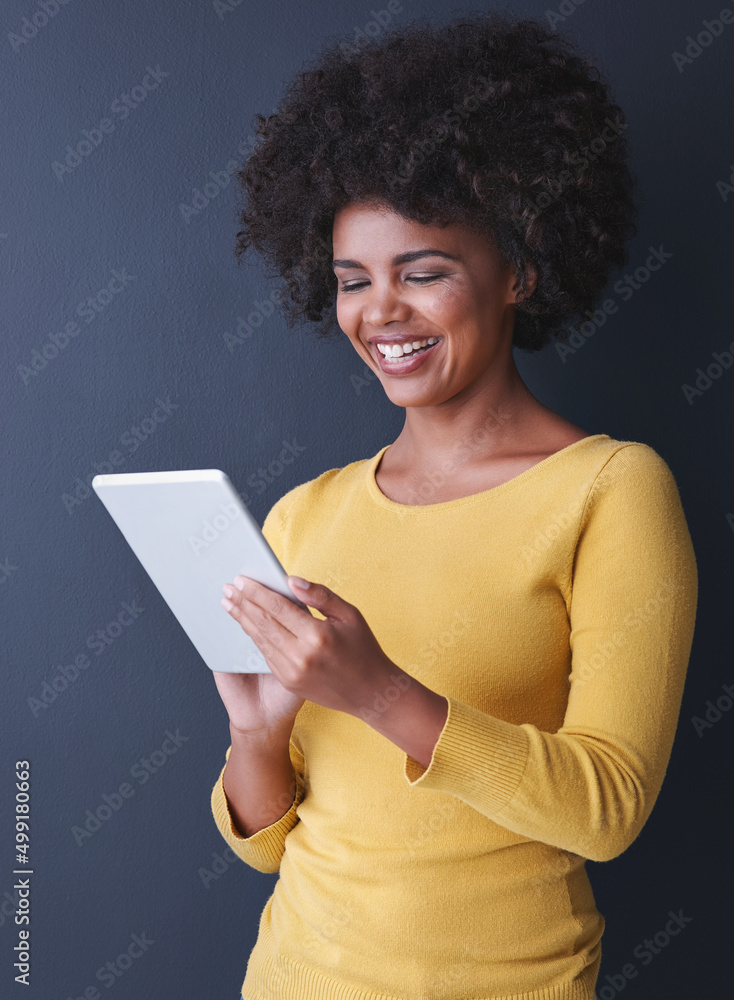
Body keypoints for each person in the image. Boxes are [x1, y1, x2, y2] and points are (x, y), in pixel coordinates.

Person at [209, 11, 698, 1000]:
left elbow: (605, 807)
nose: (379, 311)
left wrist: (378, 691)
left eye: (422, 272)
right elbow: (267, 848)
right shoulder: (305, 514)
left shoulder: (609, 489)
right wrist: (257, 738)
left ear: (520, 270)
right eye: (353, 281)